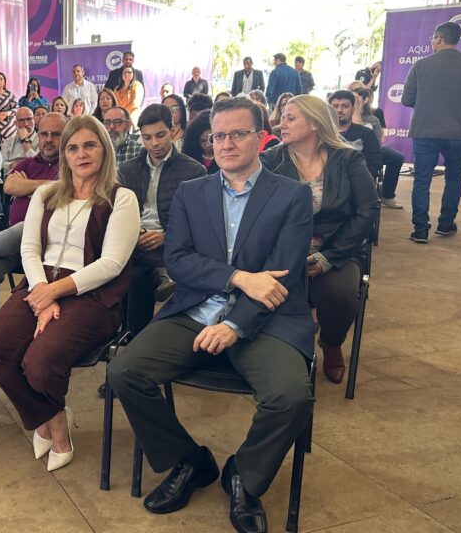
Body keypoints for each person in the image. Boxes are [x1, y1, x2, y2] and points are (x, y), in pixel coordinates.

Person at [108, 96, 314, 533]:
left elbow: (281, 277)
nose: (226, 144)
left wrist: (235, 325)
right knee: (125, 371)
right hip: (196, 311)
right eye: (218, 136)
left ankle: (245, 474)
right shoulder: (191, 192)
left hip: (267, 319)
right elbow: (179, 261)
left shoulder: (291, 196)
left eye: (238, 134)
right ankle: (189, 461)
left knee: (291, 396)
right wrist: (239, 277)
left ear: (260, 138)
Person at [0, 115, 140, 472]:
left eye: (89, 145)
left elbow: (112, 264)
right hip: (39, 284)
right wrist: (41, 292)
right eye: (73, 148)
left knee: (40, 363)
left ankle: (55, 428)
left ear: (104, 149)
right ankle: (51, 417)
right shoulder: (46, 194)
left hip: (93, 295)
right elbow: (29, 249)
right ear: (64, 155)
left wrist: (54, 292)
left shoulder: (121, 198)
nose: (81, 154)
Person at [264, 95, 379, 384]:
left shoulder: (348, 158)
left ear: (314, 123)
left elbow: (367, 211)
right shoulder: (270, 160)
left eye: (291, 118)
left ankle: (331, 341)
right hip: (283, 252)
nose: (281, 124)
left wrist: (329, 257)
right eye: (282, 117)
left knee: (339, 295)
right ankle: (279, 351)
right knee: (264, 289)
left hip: (336, 248)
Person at [0, 112, 67, 376]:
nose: (48, 140)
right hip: (16, 245)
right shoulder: (28, 161)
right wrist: (50, 185)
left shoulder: (71, 164)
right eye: (44, 133)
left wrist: (32, 185)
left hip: (52, 244)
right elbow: (11, 186)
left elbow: (65, 189)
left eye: (56, 134)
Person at [119, 104, 206, 333]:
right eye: (147, 138)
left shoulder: (193, 171)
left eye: (160, 135)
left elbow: (199, 222)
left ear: (173, 130)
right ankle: (160, 276)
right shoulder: (128, 170)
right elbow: (118, 214)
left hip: (172, 242)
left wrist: (166, 236)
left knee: (136, 273)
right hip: (134, 239)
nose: (154, 144)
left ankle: (136, 336)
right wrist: (133, 234)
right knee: (135, 272)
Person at [403, 23, 461, 242]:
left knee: (422, 180)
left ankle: (420, 230)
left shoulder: (420, 65)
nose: (432, 42)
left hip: (425, 130)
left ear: (439, 38)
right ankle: (445, 224)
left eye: (433, 38)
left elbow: (406, 99)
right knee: (452, 179)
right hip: (458, 131)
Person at [328, 90, 382, 177]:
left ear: (353, 109)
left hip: (357, 180)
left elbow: (374, 163)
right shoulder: (322, 133)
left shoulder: (366, 134)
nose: (339, 110)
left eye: (345, 106)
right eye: (335, 106)